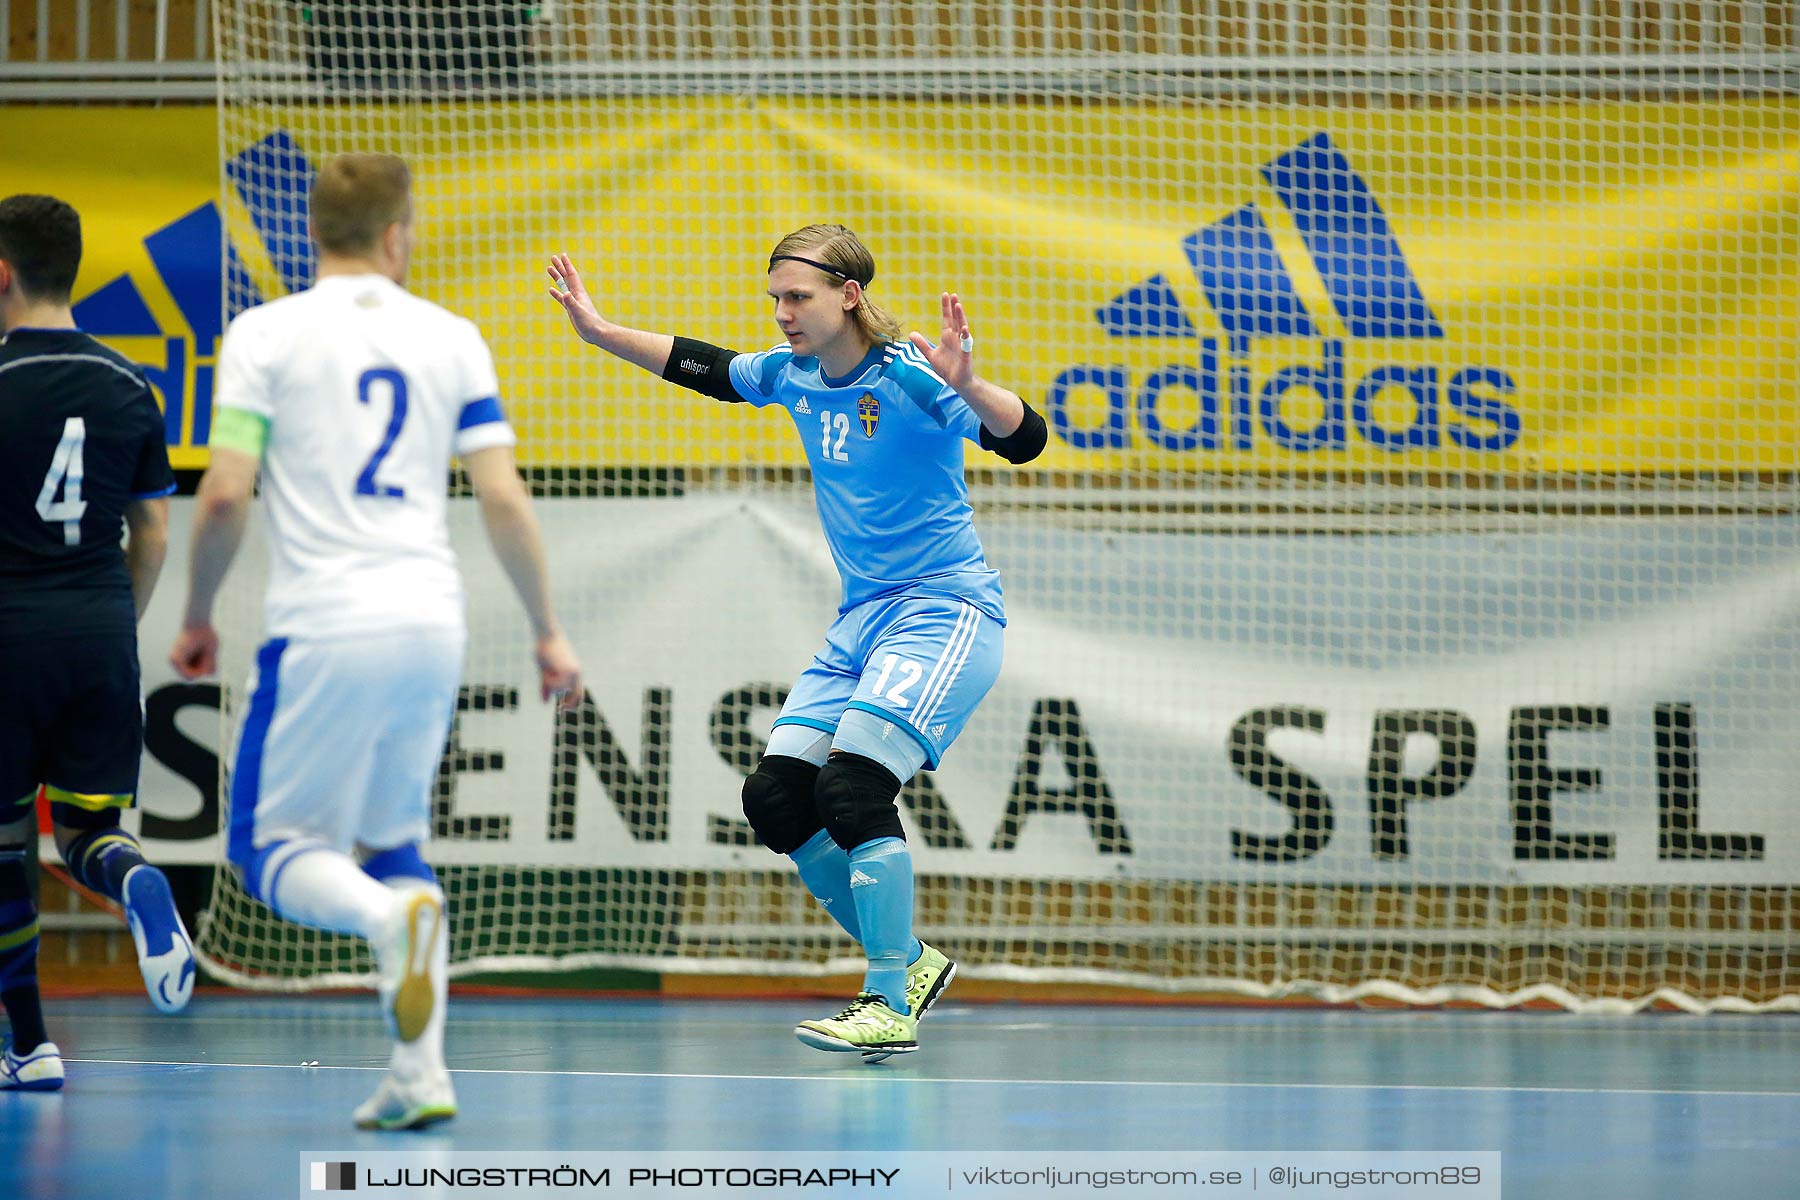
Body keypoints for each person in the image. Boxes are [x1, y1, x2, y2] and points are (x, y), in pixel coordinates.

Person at [546, 225, 1047, 1060]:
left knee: (852, 786)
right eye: (775, 298)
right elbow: (701, 365)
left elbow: (1023, 438)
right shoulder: (794, 375)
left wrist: (973, 383)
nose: (781, 313)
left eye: (797, 297)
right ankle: (911, 962)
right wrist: (602, 333)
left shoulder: (911, 377)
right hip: (862, 619)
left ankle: (888, 994)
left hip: (943, 610)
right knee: (776, 797)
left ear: (848, 295)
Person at [171, 154, 582, 1129]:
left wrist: (196, 614)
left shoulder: (264, 334)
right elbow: (500, 496)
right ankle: (420, 1074)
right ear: (400, 232)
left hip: (325, 622)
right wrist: (547, 630)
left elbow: (225, 492)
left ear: (317, 231)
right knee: (394, 841)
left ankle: (379, 920)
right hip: (431, 620)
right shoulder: (452, 337)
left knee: (272, 852)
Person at [0, 194, 198, 1093]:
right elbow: (152, 531)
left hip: (8, 639)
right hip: (98, 634)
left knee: (7, 849)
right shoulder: (132, 385)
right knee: (87, 832)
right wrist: (119, 617)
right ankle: (135, 884)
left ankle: (32, 1044)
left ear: (1, 275)